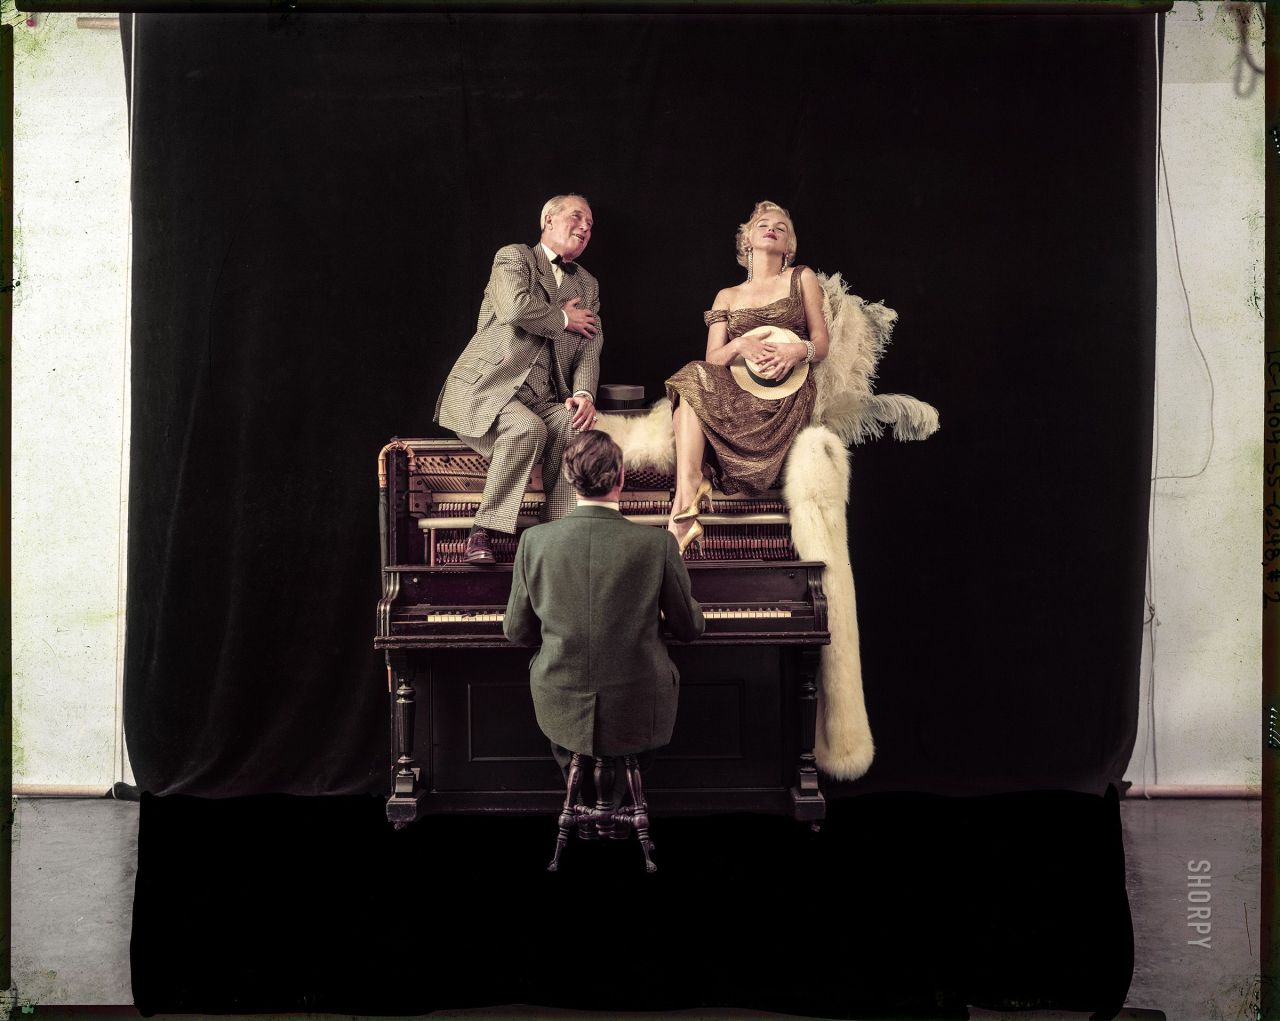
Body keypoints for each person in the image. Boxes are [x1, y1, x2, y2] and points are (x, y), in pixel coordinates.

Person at [503, 430, 705, 800]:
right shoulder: (658, 545)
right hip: (639, 704)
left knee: (568, 745)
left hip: (561, 701)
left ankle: (584, 805)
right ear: (621, 477)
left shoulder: (534, 542)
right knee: (637, 744)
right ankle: (619, 804)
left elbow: (517, 632)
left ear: (568, 478)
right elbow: (689, 629)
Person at [435, 194, 603, 565]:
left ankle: (559, 534)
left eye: (590, 225)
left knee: (573, 423)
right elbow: (514, 307)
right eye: (577, 217)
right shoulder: (515, 257)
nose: (585, 228)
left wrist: (583, 394)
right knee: (527, 429)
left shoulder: (587, 284)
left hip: (542, 397)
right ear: (548, 220)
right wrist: (563, 318)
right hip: (488, 388)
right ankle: (483, 530)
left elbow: (591, 344)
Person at [664, 200, 830, 555]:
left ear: (788, 246)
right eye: (763, 225)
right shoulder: (727, 295)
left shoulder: (801, 277)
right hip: (737, 392)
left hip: (785, 395)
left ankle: (683, 510)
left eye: (781, 228)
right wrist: (739, 343)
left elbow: (821, 344)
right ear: (747, 240)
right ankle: (688, 492)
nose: (772, 229)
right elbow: (713, 360)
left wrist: (795, 351)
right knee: (691, 379)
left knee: (682, 411)